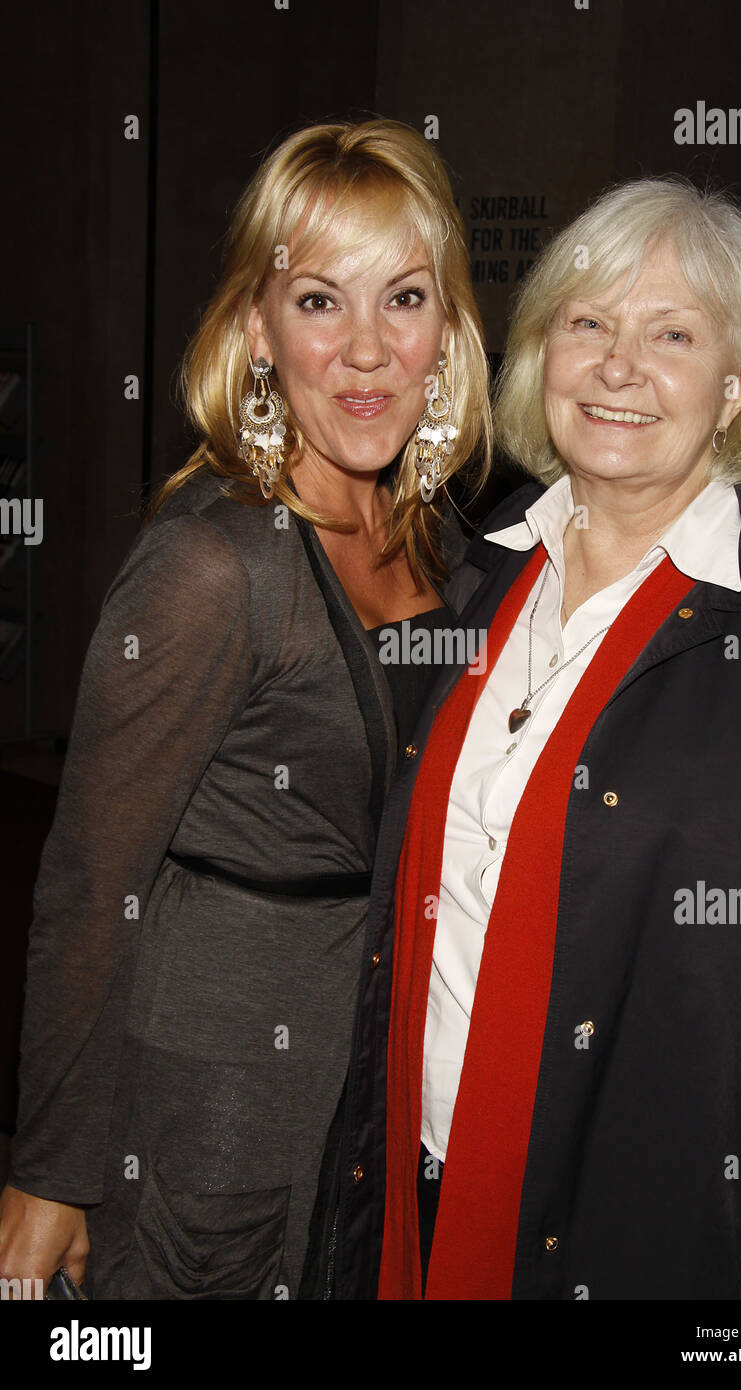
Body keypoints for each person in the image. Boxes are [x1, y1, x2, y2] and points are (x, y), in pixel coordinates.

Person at [335, 176, 741, 1300]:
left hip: (651, 1232)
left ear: (735, 387)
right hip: (412, 1181)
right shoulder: (464, 580)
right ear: (540, 359)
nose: (617, 367)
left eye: (669, 333)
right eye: (586, 324)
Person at [0, 118, 490, 1300]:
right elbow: (89, 879)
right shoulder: (215, 565)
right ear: (258, 331)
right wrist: (51, 1176)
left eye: (403, 299)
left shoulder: (443, 543)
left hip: (361, 1088)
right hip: (210, 1114)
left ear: (448, 330)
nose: (367, 351)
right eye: (320, 302)